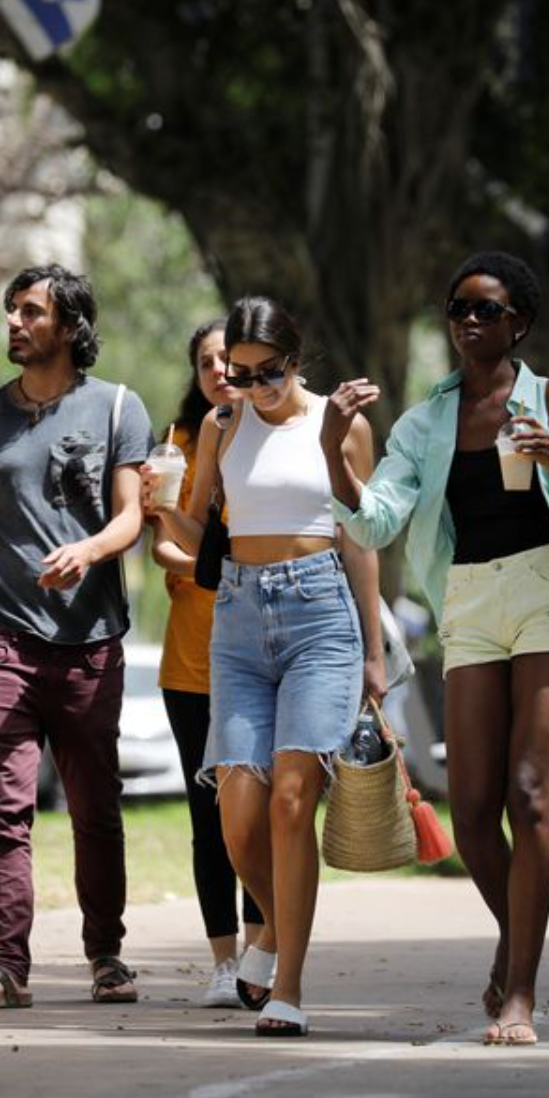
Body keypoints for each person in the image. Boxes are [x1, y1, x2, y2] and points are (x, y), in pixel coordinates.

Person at [319, 251, 549, 1048]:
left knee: (528, 792)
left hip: (547, 594)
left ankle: (519, 993)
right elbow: (374, 521)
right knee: (470, 819)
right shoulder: (424, 423)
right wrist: (334, 448)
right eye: (458, 307)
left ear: (518, 323)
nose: (468, 321)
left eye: (486, 310)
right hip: (467, 600)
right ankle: (515, 938)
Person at [145, 296, 386, 1039]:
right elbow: (205, 534)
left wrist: (375, 652)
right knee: (235, 815)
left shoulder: (341, 425)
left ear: (296, 358)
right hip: (239, 621)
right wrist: (162, 510)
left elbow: (363, 537)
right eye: (237, 374)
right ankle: (279, 926)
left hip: (320, 615)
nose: (250, 387)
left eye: (267, 373)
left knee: (289, 799)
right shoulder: (222, 426)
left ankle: (289, 987)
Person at [0, 264, 153, 1010]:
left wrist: (88, 551)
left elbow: (131, 517)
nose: (14, 323)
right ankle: (6, 967)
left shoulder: (120, 407)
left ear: (69, 326)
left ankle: (107, 955)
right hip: (3, 638)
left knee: (95, 805)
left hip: (90, 641)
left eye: (31, 311)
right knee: (4, 805)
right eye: (11, 310)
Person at [148, 319, 265, 1007]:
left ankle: (260, 953)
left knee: (258, 810)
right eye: (205, 361)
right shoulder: (178, 445)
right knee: (208, 813)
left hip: (261, 650)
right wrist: (224, 567)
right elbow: (164, 541)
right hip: (191, 661)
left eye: (228, 358)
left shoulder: (274, 437)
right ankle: (223, 964)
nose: (218, 369)